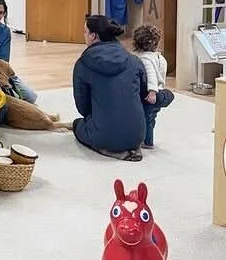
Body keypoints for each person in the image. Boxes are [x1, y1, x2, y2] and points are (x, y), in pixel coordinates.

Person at [72, 15, 147, 161]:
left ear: (93, 36)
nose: (84, 35)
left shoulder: (82, 64)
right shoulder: (135, 61)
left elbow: (83, 107)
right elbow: (143, 95)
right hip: (137, 136)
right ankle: (126, 146)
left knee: (77, 124)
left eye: (85, 32)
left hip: (102, 136)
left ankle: (109, 146)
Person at [132, 24, 174, 148]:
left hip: (149, 95)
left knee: (147, 118)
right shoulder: (160, 58)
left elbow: (151, 75)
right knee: (151, 118)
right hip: (159, 91)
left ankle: (147, 141)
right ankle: (147, 139)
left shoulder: (144, 59)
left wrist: (152, 92)